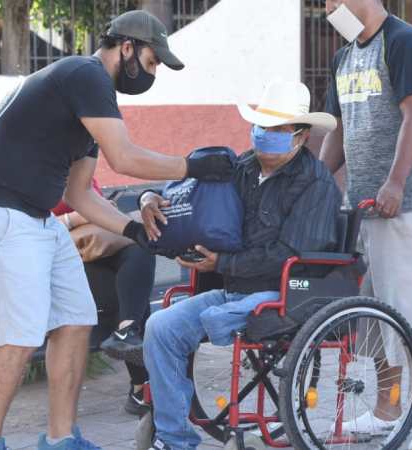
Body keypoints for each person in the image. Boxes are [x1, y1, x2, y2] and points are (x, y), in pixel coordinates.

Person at [0, 10, 232, 450]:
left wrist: (134, 231)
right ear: (127, 48)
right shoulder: (86, 75)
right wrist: (191, 166)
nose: (152, 72)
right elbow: (123, 157)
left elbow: (80, 193)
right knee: (17, 341)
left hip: (38, 219)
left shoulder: (89, 97)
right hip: (1, 214)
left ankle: (62, 440)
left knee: (75, 320)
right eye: (151, 62)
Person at [139, 80, 342, 450]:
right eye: (261, 127)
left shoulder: (316, 184)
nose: (264, 136)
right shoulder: (241, 167)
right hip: (234, 288)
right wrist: (150, 197)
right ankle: (173, 438)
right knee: (160, 327)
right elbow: (187, 193)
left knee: (219, 317)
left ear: (300, 137)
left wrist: (223, 262)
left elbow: (290, 254)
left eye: (276, 130)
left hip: (285, 293)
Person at [321, 1, 412, 449]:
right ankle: (385, 409)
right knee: (377, 316)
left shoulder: (403, 41)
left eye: (331, 0)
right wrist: (317, 185)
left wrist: (396, 182)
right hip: (364, 208)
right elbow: (338, 128)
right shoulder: (344, 56)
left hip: (409, 206)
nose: (327, 8)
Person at [52, 179, 153, 416]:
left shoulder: (79, 166)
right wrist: (74, 219)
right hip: (60, 259)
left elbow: (94, 204)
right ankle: (141, 388)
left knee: (140, 253)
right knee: (129, 294)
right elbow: (25, 230)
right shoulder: (29, 173)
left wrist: (104, 210)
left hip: (98, 246)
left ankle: (127, 331)